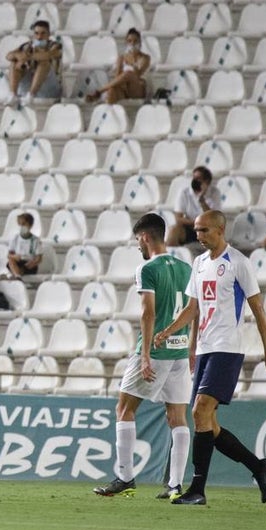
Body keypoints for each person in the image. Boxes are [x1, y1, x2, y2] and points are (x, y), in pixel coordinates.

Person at [153, 210, 266, 506]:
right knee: (209, 423)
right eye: (196, 230)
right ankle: (259, 466)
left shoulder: (238, 263)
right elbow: (192, 310)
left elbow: (258, 310)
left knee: (199, 412)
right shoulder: (198, 264)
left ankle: (197, 490)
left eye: (204, 230)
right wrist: (176, 336)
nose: (198, 235)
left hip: (227, 348)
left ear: (220, 230)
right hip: (205, 349)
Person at [94, 213, 192, 500]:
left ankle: (125, 477)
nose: (138, 244)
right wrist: (191, 347)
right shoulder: (187, 268)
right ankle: (175, 485)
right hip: (179, 350)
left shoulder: (147, 268)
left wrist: (146, 355)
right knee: (177, 417)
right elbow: (193, 309)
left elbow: (148, 311)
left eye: (138, 239)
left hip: (156, 350)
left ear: (146, 237)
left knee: (124, 410)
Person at [86, 27, 150, 104]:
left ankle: (100, 91)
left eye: (135, 41)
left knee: (128, 73)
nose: (132, 43)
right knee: (111, 91)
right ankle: (108, 112)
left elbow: (138, 75)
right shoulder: (121, 58)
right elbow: (117, 78)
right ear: (126, 42)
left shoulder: (145, 58)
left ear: (139, 43)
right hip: (124, 89)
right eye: (130, 41)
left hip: (137, 89)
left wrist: (133, 60)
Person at [7, 19, 63, 103]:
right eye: (36, 33)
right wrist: (17, 56)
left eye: (43, 33)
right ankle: (13, 95)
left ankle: (31, 94)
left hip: (48, 86)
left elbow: (49, 55)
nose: (39, 37)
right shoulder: (27, 46)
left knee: (44, 62)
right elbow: (9, 56)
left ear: (49, 34)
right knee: (14, 62)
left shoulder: (55, 45)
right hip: (30, 82)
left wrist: (28, 56)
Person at [168, 165, 222, 247]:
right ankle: (169, 257)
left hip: (207, 230)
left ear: (207, 181)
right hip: (190, 228)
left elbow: (213, 219)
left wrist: (202, 200)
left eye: (198, 179)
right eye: (194, 178)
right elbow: (178, 219)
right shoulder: (184, 192)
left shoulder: (215, 193)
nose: (195, 181)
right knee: (173, 230)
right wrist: (196, 223)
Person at [7, 212, 43, 278]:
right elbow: (9, 255)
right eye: (19, 224)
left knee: (26, 267)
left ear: (30, 225)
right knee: (10, 261)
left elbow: (39, 258)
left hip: (30, 264)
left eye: (23, 224)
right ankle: (18, 276)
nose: (21, 227)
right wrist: (14, 256)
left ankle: (17, 275)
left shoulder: (35, 240)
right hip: (18, 262)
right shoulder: (15, 238)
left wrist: (31, 263)